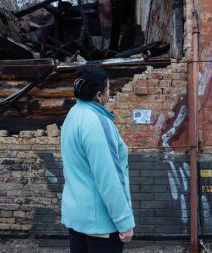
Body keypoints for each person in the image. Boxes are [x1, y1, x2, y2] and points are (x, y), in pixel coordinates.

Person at [60, 67, 135, 253]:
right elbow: (109, 177)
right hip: (100, 224)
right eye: (109, 89)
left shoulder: (73, 114)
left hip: (77, 217)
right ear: (99, 95)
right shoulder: (97, 122)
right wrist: (124, 222)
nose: (111, 93)